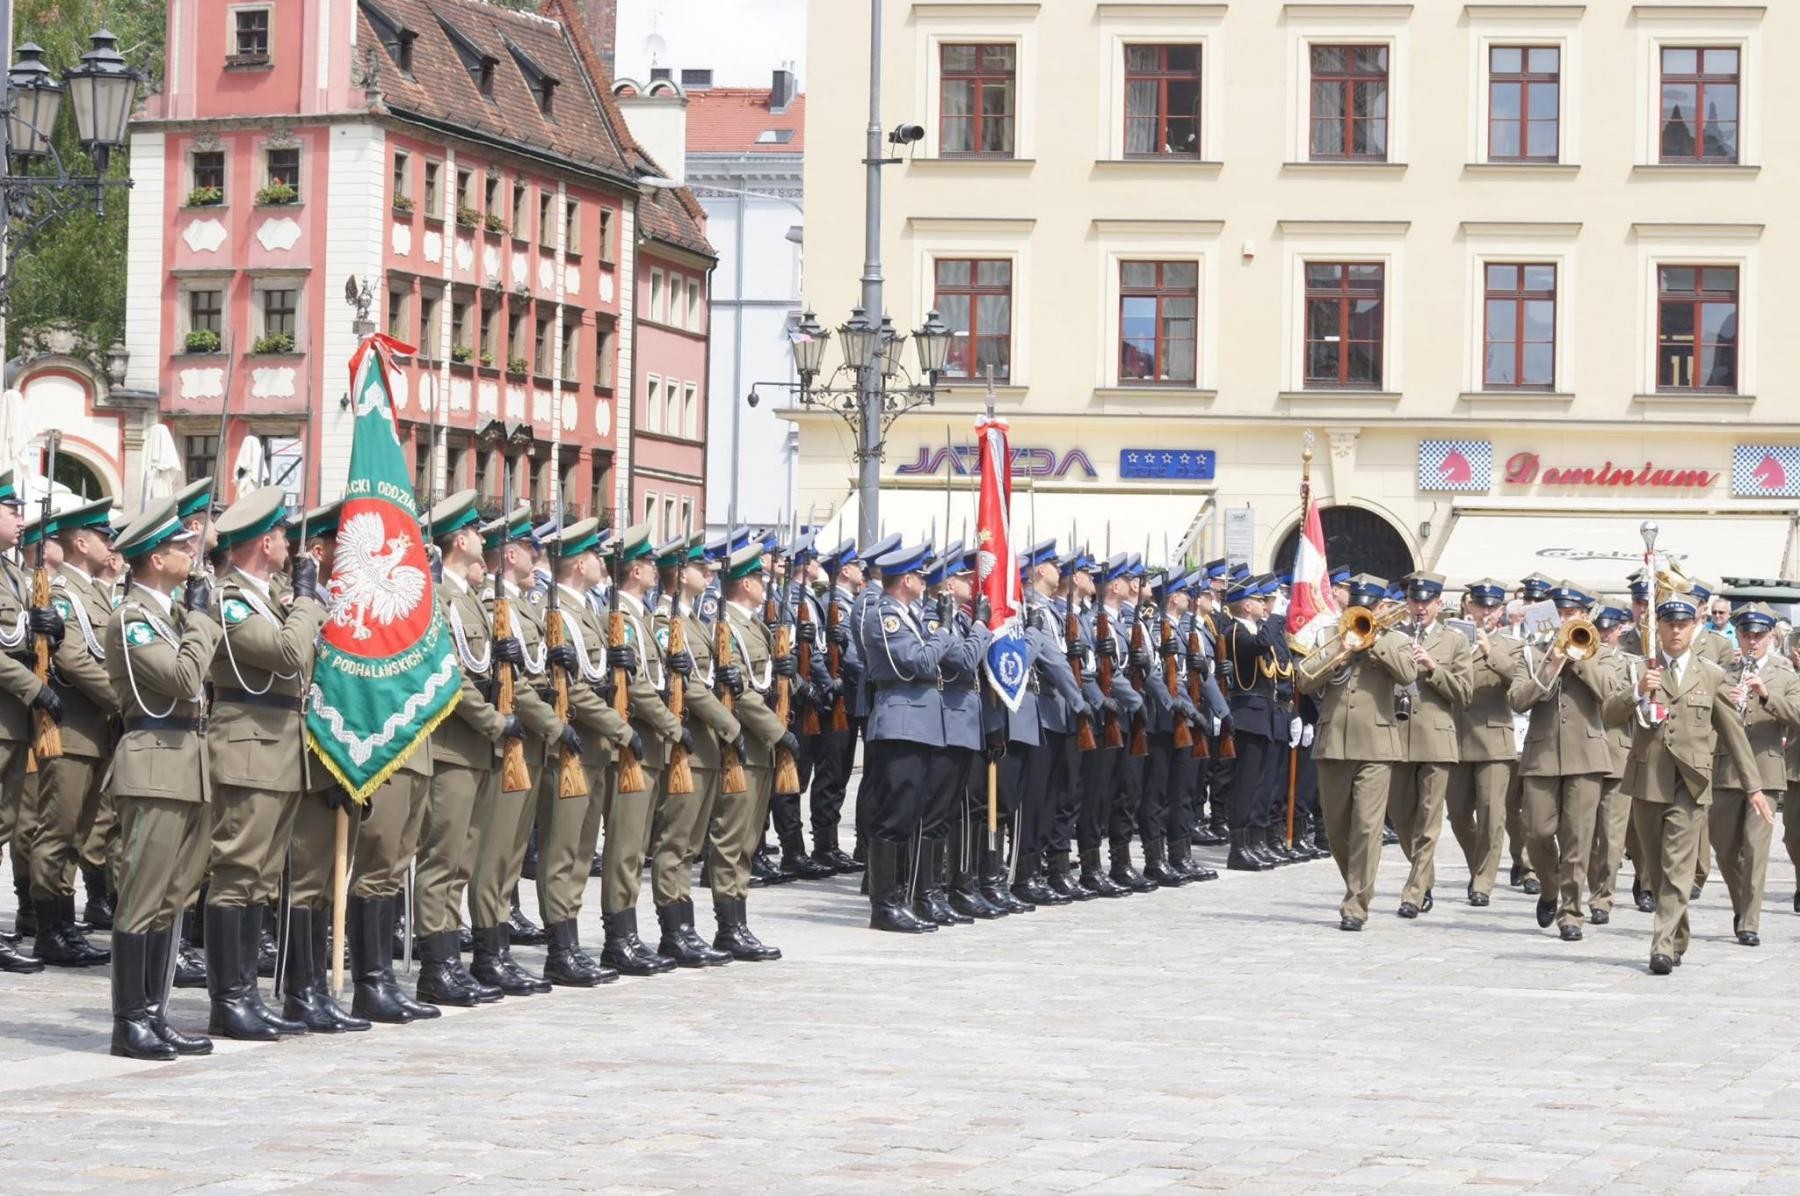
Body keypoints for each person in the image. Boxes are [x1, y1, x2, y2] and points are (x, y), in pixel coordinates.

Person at [202, 486, 326, 1041]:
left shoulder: (268, 596)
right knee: (237, 874)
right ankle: (228, 999)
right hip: (249, 742)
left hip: (279, 743)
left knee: (261, 880)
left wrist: (298, 603)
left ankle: (247, 995)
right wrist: (304, 603)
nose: (289, 548)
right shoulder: (229, 598)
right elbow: (286, 653)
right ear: (266, 541)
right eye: (281, 536)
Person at [104, 497, 222, 1060]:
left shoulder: (167, 616)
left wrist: (192, 618)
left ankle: (155, 1011)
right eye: (179, 546)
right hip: (153, 765)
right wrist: (201, 619)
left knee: (170, 899)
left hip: (185, 764)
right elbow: (181, 677)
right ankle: (129, 1021)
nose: (189, 552)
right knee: (142, 898)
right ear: (154, 557)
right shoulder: (132, 620)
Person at [1604, 584, 1765, 974]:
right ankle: (1678, 934)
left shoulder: (1709, 675)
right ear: (1657, 627)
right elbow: (1609, 716)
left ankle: (1660, 945)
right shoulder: (1641, 668)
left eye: (1683, 623)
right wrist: (1636, 693)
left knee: (1678, 867)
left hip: (1691, 784)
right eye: (1668, 623)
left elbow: (1732, 734)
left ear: (1695, 627)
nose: (1676, 631)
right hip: (1647, 781)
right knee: (1657, 870)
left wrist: (1754, 787)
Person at [416, 490, 523, 1006]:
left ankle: (450, 961)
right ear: (459, 540)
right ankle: (435, 965)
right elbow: (448, 678)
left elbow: (484, 670)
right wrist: (495, 722)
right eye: (477, 532)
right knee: (443, 859)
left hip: (475, 748)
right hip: (452, 746)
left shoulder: (472, 602)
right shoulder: (437, 598)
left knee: (462, 860)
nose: (484, 541)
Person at [466, 507, 567, 996]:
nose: (538, 557)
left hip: (527, 742)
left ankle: (499, 947)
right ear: (509, 553)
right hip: (508, 740)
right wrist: (551, 724)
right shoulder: (492, 604)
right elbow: (515, 685)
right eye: (531, 548)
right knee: (496, 853)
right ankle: (489, 951)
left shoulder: (526, 604)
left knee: (510, 855)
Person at [1298, 574, 1418, 931]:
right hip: (1333, 742)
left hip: (1377, 745)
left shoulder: (1396, 639)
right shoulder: (1328, 636)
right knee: (1337, 829)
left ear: (1380, 607)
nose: (1361, 612)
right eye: (1356, 607)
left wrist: (1375, 642)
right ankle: (1357, 880)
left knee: (1367, 826)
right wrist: (1340, 652)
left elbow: (1408, 675)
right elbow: (1304, 681)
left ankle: (1356, 903)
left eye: (1368, 607)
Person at [1509, 582, 1624, 942]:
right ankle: (1549, 886)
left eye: (1570, 614)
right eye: (1559, 613)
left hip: (1586, 758)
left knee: (1577, 840)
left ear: (1585, 617)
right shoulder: (1530, 652)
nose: (1563, 620)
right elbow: (1517, 699)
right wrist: (1552, 665)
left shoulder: (1601, 654)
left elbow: (1609, 694)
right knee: (1538, 833)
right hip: (1541, 755)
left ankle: (1571, 912)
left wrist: (1580, 658)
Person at [598, 522, 687, 975]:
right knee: (626, 846)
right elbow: (635, 686)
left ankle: (628, 934)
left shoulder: (643, 618)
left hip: (648, 745)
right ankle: (619, 937)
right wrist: (672, 725)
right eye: (650, 563)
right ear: (634, 571)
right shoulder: (624, 618)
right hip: (632, 746)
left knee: (636, 845)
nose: (656, 569)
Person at [29, 497, 114, 969]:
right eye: (103, 536)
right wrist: (123, 702)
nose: (111, 544)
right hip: (72, 728)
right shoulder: (63, 594)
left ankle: (65, 925)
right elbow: (74, 658)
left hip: (95, 730)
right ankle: (50, 928)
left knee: (79, 834)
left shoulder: (97, 593)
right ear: (81, 542)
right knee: (57, 832)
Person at [647, 533, 736, 966]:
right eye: (702, 569)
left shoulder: (696, 621)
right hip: (686, 743)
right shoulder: (666, 622)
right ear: (681, 575)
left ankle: (686, 925)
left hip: (705, 746)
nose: (708, 576)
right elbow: (692, 690)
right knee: (675, 840)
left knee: (690, 843)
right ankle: (674, 929)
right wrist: (729, 723)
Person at [859, 542, 955, 932]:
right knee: (895, 816)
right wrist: (945, 630)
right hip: (900, 723)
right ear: (908, 580)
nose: (924, 581)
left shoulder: (907, 614)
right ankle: (885, 905)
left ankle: (903, 896)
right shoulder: (885, 616)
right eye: (920, 575)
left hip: (919, 723)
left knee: (913, 814)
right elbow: (918, 662)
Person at [713, 543, 792, 957]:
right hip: (741, 745)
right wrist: (778, 732)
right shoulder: (728, 626)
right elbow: (739, 692)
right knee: (733, 838)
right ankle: (729, 926)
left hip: (760, 748)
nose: (765, 585)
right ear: (745, 584)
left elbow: (766, 683)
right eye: (760, 579)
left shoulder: (756, 626)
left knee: (747, 841)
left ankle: (737, 921)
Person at [1708, 603, 1798, 947]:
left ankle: (1749, 922)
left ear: (1771, 637)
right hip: (1727, 770)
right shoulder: (1722, 671)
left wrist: (1765, 695)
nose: (1752, 642)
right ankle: (1740, 903)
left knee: (1757, 849)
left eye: (1759, 636)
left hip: (1766, 769)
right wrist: (1724, 701)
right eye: (1747, 635)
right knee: (1725, 850)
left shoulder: (1785, 674)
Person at [1386, 572, 1473, 919]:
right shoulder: (1393, 637)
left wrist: (1433, 667)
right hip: (1397, 735)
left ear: (1438, 603)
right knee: (1401, 817)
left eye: (1426, 601)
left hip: (1436, 739)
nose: (1420, 607)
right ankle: (1426, 877)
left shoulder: (1455, 641)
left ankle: (1413, 891)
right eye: (1414, 601)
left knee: (1428, 820)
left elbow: (1465, 694)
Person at [1446, 579, 1522, 907]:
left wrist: (1489, 650)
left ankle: (1484, 881)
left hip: (1494, 738)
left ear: (1501, 611)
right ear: (1469, 607)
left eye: (1492, 607)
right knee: (1459, 814)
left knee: (1492, 813)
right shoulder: (1452, 639)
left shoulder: (1510, 643)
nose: (1486, 612)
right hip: (1457, 735)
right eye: (1480, 606)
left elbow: (1517, 677)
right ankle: (1479, 864)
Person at [808, 540, 863, 873]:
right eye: (858, 565)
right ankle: (824, 843)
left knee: (840, 772)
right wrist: (833, 684)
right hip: (834, 700)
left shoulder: (846, 604)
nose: (863, 572)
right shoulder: (834, 605)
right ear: (845, 570)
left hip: (847, 698)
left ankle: (828, 842)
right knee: (830, 773)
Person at [1222, 574, 1283, 872]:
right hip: (1246, 713)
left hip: (1260, 713)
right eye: (1259, 600)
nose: (1264, 605)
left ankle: (1248, 842)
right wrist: (1277, 617)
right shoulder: (1236, 631)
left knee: (1257, 782)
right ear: (1247, 606)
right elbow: (1260, 645)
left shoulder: (1253, 628)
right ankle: (1238, 848)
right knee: (1244, 784)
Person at [1583, 606, 1635, 926]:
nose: (1603, 636)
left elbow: (1613, 695)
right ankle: (1588, 886)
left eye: (1608, 630)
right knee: (1582, 834)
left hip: (1616, 754)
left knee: (1612, 836)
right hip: (1583, 753)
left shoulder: (1629, 664)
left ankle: (1604, 896)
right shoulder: (1575, 658)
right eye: (1598, 630)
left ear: (1619, 631)